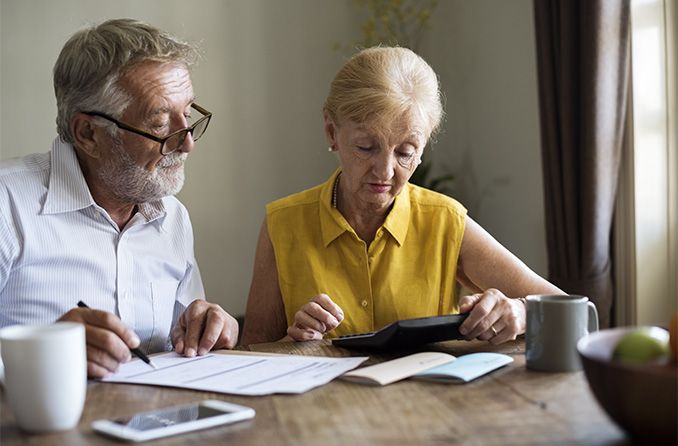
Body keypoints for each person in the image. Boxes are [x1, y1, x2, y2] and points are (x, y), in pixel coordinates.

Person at [241, 46, 563, 346]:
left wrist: (521, 313)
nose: (384, 172)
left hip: (425, 403)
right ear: (331, 132)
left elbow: (571, 310)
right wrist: (291, 343)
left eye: (406, 152)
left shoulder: (444, 221)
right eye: (366, 148)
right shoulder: (282, 224)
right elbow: (251, 354)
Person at [0, 19, 238, 378]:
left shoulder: (171, 216)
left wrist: (210, 329)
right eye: (159, 124)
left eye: (187, 115)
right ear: (88, 133)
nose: (186, 142)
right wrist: (46, 353)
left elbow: (184, 344)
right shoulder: (8, 204)